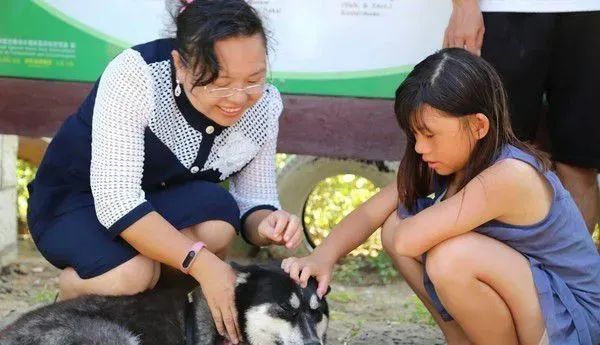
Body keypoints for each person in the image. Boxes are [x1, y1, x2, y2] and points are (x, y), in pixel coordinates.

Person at [26, 1, 304, 343]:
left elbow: (254, 198)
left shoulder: (263, 104)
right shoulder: (136, 75)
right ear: (181, 66)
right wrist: (202, 263)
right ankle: (75, 298)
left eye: (253, 79)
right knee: (130, 274)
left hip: (156, 199)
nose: (238, 97)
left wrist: (267, 224)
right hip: (78, 200)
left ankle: (156, 322)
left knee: (217, 226)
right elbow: (118, 200)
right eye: (218, 81)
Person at [282, 49, 600, 345]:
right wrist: (323, 255)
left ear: (477, 126)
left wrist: (417, 215)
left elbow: (409, 242)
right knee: (395, 225)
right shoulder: (457, 161)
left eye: (430, 134)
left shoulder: (509, 175)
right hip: (539, 307)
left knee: (450, 256)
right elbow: (372, 213)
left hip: (574, 321)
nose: (420, 148)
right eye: (415, 135)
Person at [443, 0, 600, 235]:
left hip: (590, 13)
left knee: (579, 164)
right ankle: (471, 268)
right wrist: (464, 6)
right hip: (502, 10)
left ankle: (571, 269)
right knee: (482, 159)